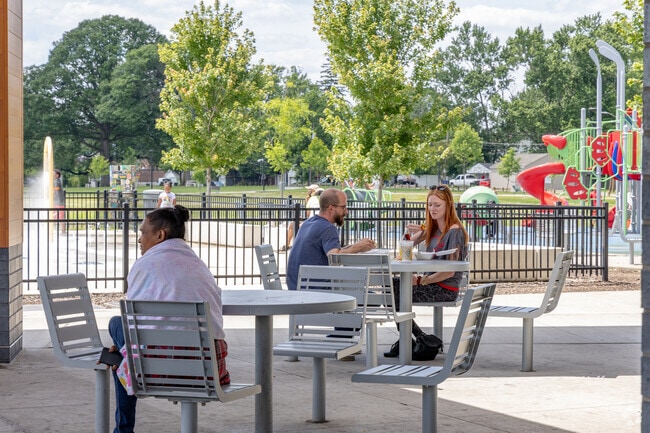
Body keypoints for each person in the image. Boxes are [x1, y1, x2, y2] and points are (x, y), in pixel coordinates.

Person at [101, 205, 230, 433]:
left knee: (117, 326)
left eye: (142, 232)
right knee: (125, 348)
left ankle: (123, 430)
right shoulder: (199, 266)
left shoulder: (145, 264)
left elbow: (134, 324)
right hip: (209, 370)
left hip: (160, 370)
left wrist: (125, 348)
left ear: (160, 235)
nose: (139, 239)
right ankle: (124, 358)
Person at [384, 184, 469, 358]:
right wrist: (421, 231)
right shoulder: (433, 229)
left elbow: (449, 272)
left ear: (448, 205)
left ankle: (411, 340)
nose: (432, 209)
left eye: (437, 205)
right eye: (430, 205)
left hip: (444, 288)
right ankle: (418, 339)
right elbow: (405, 250)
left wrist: (421, 281)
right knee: (389, 289)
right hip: (431, 283)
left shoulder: (455, 232)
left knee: (393, 292)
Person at [286, 188, 376, 291]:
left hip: (297, 289)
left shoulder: (308, 223)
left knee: (363, 291)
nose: (346, 211)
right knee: (372, 297)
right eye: (343, 207)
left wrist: (355, 247)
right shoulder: (327, 228)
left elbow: (331, 251)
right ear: (331, 208)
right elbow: (334, 256)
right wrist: (358, 247)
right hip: (316, 293)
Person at [286, 184, 320, 249]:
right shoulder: (319, 199)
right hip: (316, 221)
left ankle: (287, 245)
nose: (308, 191)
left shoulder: (312, 199)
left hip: (312, 222)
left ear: (313, 191)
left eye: (309, 190)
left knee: (292, 225)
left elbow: (308, 214)